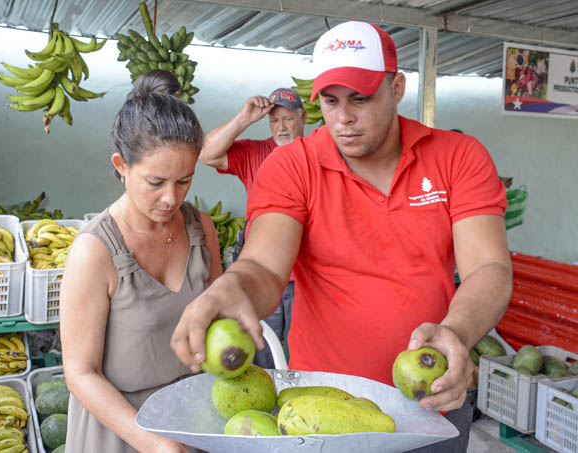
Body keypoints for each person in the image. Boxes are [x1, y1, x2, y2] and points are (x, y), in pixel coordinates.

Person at [171, 21, 512, 452]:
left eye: (361, 99)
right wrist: (233, 286)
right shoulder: (292, 165)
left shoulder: (458, 157)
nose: (344, 118)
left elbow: (489, 268)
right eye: (330, 102)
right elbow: (263, 265)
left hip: (430, 399)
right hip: (320, 407)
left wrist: (457, 333)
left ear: (397, 87)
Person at [60, 69, 222, 453]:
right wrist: (153, 443)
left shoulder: (201, 229)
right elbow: (81, 373)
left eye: (184, 181)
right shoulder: (94, 251)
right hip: (120, 432)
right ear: (121, 166)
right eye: (156, 182)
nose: (171, 197)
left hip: (192, 421)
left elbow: (218, 316)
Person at [199, 88, 307, 368]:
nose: (281, 127)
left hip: (308, 276)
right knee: (262, 345)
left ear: (303, 118)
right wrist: (245, 118)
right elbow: (207, 153)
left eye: (288, 119)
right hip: (262, 271)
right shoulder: (255, 152)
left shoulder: (317, 154)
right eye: (274, 121)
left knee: (305, 351)